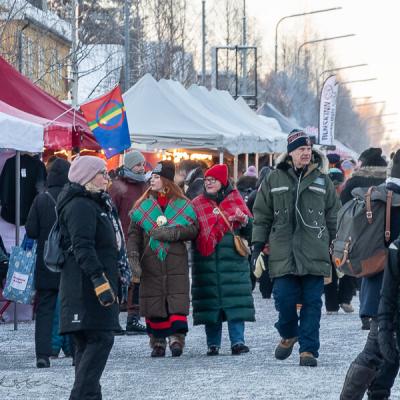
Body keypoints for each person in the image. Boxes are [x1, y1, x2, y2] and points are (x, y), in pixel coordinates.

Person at [252, 130, 339, 367]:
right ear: (290, 152)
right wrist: (257, 246)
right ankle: (289, 333)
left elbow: (334, 216)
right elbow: (261, 215)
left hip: (315, 252)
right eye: (301, 149)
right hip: (283, 253)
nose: (306, 153)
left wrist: (337, 246)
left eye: (309, 149)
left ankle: (308, 350)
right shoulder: (273, 179)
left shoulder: (323, 180)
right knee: (284, 299)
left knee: (312, 303)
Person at [57, 156, 131, 400]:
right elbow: (83, 247)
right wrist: (100, 280)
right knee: (100, 339)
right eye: (102, 174)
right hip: (85, 288)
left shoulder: (97, 203)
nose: (106, 178)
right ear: (87, 176)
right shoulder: (80, 205)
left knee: (88, 344)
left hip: (92, 286)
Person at [340, 149, 400, 400]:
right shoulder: (395, 202)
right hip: (389, 289)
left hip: (377, 285)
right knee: (379, 349)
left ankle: (377, 393)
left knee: (384, 349)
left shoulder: (380, 194)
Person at [128, 161, 198, 357]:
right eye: (152, 177)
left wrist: (174, 233)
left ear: (166, 180)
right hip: (150, 261)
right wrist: (132, 256)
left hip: (175, 262)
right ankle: (157, 342)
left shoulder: (183, 204)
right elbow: (133, 235)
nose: (152, 180)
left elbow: (193, 229)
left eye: (157, 177)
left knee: (175, 303)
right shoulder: (142, 206)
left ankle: (177, 340)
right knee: (155, 304)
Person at [191, 164, 255, 356]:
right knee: (211, 305)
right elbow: (191, 229)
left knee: (235, 304)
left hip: (233, 262)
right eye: (207, 180)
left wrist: (244, 221)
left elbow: (251, 230)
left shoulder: (235, 200)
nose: (209, 183)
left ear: (223, 181)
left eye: (213, 180)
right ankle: (213, 344)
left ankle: (238, 341)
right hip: (205, 261)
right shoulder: (197, 204)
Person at [25, 158, 71, 368]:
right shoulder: (73, 198)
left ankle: (42, 355)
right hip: (69, 262)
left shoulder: (41, 200)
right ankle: (74, 351)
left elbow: (32, 231)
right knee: (71, 306)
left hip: (46, 262)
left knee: (44, 309)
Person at [109, 150, 147, 335]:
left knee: (137, 279)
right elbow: (110, 212)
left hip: (142, 238)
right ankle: (113, 320)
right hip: (121, 239)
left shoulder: (146, 185)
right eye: (138, 165)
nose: (141, 168)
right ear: (129, 165)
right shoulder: (118, 187)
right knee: (119, 279)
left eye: (142, 164)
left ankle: (133, 318)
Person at [324, 167, 355, 315]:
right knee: (337, 270)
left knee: (341, 269)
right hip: (334, 238)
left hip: (340, 238)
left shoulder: (345, 196)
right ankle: (338, 302)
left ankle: (337, 303)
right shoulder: (340, 198)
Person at [247, 166, 273, 298]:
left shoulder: (254, 193)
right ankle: (266, 289)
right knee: (265, 259)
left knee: (259, 259)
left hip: (256, 229)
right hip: (264, 229)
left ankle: (264, 290)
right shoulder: (265, 192)